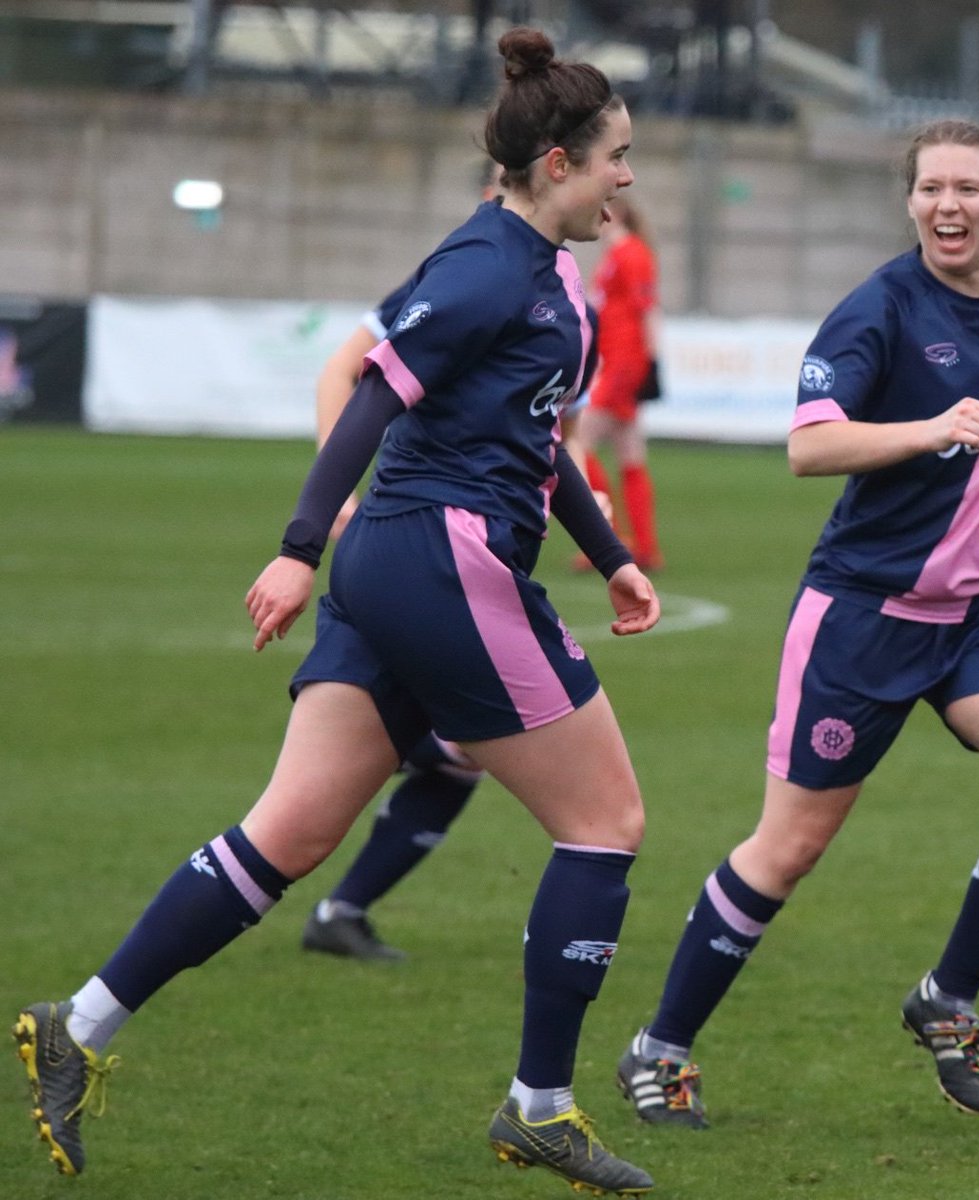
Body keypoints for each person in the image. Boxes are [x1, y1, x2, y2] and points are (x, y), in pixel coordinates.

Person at [15, 27, 660, 1197]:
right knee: (606, 821)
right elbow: (371, 394)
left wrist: (608, 554)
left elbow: (535, 439)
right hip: (439, 563)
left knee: (290, 834)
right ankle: (541, 1109)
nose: (630, 177)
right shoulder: (486, 270)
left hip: (411, 566)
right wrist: (299, 548)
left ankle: (79, 1025)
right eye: (617, 156)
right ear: (559, 162)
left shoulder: (538, 270)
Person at [614, 118, 979, 1130]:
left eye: (968, 188)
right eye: (930, 189)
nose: (947, 205)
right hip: (863, 616)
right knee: (786, 850)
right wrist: (928, 429)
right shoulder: (876, 309)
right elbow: (808, 447)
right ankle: (662, 1048)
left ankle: (947, 998)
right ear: (909, 203)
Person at [298, 165, 505, 962]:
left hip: (461, 554)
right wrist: (335, 495)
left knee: (450, 759)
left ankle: (340, 911)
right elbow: (343, 369)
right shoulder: (454, 278)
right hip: (410, 544)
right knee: (449, 751)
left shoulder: (545, 288)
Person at [575, 194, 664, 572]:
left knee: (577, 442)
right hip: (615, 362)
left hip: (624, 366)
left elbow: (648, 310)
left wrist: (652, 363)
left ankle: (606, 540)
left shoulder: (632, 254)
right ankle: (645, 548)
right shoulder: (616, 255)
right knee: (630, 453)